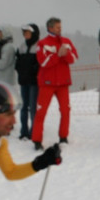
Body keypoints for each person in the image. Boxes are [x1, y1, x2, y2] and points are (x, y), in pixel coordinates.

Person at [31, 17, 78, 150]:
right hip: (47, 84)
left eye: (60, 27)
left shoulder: (67, 42)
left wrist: (66, 54)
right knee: (41, 112)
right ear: (50, 28)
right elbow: (43, 62)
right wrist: (58, 55)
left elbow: (74, 58)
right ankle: (37, 141)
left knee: (65, 110)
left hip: (63, 83)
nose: (60, 29)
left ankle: (63, 137)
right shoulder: (42, 43)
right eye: (57, 27)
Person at [14, 24, 40, 141]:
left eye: (28, 32)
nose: (26, 35)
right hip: (23, 81)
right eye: (24, 33)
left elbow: (40, 63)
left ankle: (33, 131)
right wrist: (20, 70)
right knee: (24, 107)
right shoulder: (22, 46)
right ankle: (24, 131)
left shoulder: (39, 46)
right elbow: (17, 62)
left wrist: (34, 70)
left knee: (33, 107)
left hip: (34, 82)